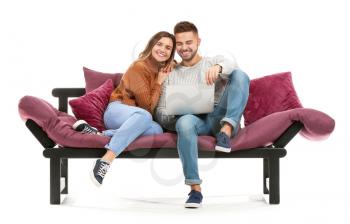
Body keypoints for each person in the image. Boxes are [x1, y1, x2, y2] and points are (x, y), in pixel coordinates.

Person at [155, 21, 250, 208]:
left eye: (188, 42)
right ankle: (194, 189)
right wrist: (178, 111)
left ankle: (227, 129)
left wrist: (220, 68)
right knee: (184, 123)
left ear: (198, 41)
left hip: (218, 119)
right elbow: (160, 114)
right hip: (196, 121)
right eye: (179, 44)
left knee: (240, 74)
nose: (184, 48)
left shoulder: (213, 61)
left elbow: (233, 67)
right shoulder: (170, 73)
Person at [74, 31, 176, 187]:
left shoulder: (162, 69)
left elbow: (179, 66)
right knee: (145, 116)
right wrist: (159, 83)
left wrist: (172, 66)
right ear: (151, 45)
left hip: (136, 120)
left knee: (156, 130)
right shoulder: (139, 67)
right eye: (159, 44)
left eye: (168, 47)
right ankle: (106, 160)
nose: (163, 49)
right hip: (117, 111)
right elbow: (146, 107)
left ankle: (100, 134)